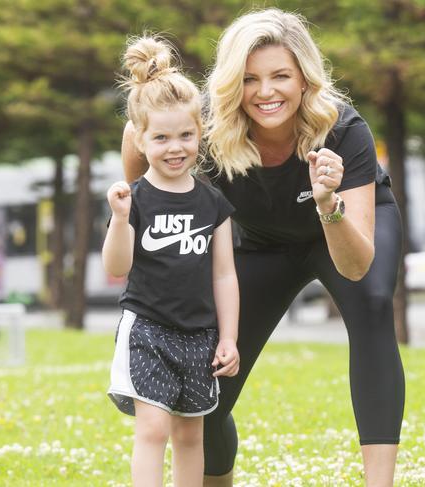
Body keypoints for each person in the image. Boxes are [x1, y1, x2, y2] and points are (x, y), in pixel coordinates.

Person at [122, 10, 405, 487]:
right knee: (205, 377)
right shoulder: (207, 128)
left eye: (281, 76)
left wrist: (327, 203)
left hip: (339, 230)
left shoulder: (343, 130)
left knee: (374, 304)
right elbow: (137, 137)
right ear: (233, 82)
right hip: (262, 245)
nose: (266, 91)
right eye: (250, 79)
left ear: (304, 79)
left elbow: (356, 267)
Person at [104, 36, 240, 487]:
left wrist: (230, 338)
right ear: (140, 140)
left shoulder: (213, 203)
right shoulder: (134, 198)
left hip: (200, 335)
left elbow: (224, 273)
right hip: (148, 329)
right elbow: (117, 266)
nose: (174, 147)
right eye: (160, 137)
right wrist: (121, 220)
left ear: (200, 134)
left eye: (185, 135)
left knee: (189, 433)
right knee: (154, 429)